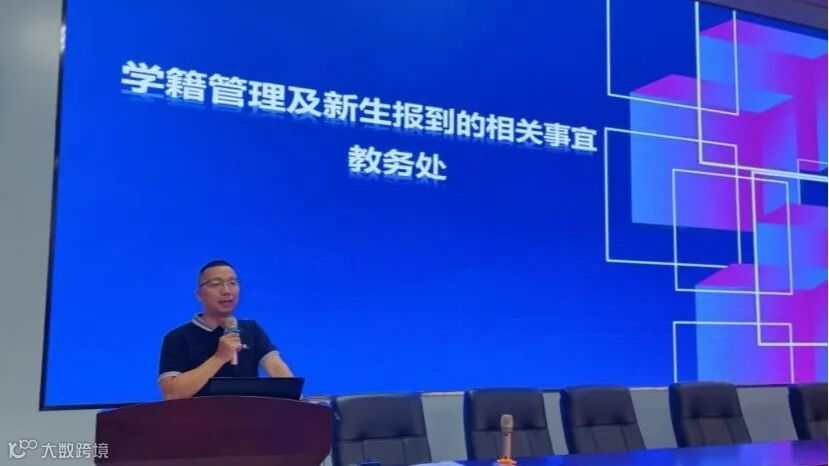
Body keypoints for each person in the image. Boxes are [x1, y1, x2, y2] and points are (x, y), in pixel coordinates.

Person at [157, 259, 293, 399]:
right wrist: (219, 357)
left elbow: (277, 370)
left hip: (248, 412)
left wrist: (297, 399)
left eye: (232, 283)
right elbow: (171, 393)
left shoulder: (251, 329)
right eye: (216, 284)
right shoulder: (177, 338)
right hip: (202, 413)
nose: (226, 291)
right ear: (199, 295)